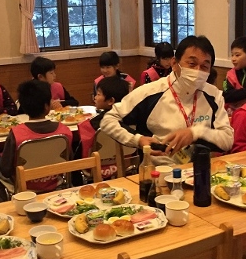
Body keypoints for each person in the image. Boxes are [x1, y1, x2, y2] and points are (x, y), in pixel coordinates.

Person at [100, 35, 234, 165]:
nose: (197, 71)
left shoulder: (214, 95)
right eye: (192, 64)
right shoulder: (150, 92)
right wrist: (137, 140)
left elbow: (227, 140)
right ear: (174, 63)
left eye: (204, 67)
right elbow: (108, 120)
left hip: (201, 171)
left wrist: (197, 132)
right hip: (159, 172)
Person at [0, 80, 73, 192]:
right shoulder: (64, 131)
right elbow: (69, 160)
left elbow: (5, 170)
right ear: (47, 107)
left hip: (25, 189)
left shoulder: (16, 133)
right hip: (56, 186)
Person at [77, 76, 131, 178]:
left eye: (98, 94)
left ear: (110, 101)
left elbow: (82, 153)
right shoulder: (132, 120)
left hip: (97, 167)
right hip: (126, 165)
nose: (95, 97)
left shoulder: (92, 124)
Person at [223, 36, 246, 112]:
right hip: (231, 113)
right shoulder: (230, 74)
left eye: (237, 55)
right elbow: (226, 96)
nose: (233, 59)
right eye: (232, 55)